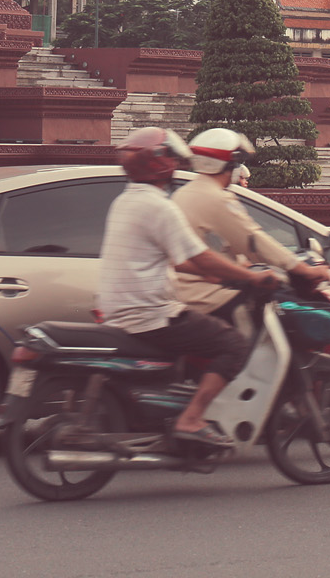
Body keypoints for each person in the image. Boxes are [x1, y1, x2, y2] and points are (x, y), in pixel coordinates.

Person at [97, 127, 282, 448]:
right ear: (159, 163)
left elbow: (182, 260)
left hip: (119, 308)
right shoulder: (159, 206)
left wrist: (223, 274)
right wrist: (250, 277)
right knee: (233, 345)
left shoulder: (125, 202)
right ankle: (192, 418)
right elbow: (202, 255)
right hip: (150, 314)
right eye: (169, 156)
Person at [173, 127, 328, 329]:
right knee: (251, 340)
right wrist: (303, 269)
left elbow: (218, 242)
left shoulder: (185, 193)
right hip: (204, 293)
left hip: (184, 290)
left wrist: (242, 264)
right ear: (229, 164)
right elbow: (253, 239)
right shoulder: (217, 197)